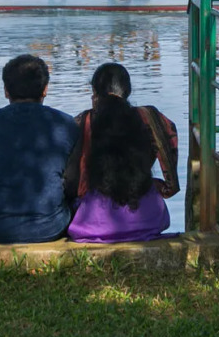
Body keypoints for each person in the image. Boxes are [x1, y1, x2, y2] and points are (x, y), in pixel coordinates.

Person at [0, 54, 79, 243]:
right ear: (45, 90)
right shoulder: (66, 124)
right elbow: (73, 179)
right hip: (51, 227)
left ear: (6, 90)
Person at [64, 62, 178, 243]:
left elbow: (73, 182)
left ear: (94, 94)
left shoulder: (83, 121)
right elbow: (172, 181)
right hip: (148, 219)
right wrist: (154, 185)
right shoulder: (151, 117)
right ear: (128, 91)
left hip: (93, 224)